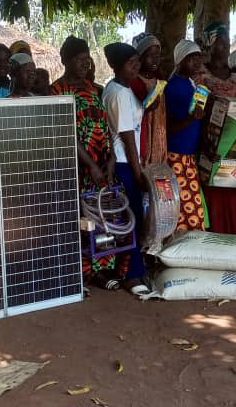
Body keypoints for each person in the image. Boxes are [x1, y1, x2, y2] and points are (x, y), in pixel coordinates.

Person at [50, 36, 120, 289]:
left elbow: (105, 125)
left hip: (102, 166)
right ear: (65, 61)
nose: (85, 63)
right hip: (78, 167)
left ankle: (104, 268)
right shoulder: (57, 90)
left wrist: (110, 158)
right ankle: (81, 273)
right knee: (80, 219)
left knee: (103, 216)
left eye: (87, 58)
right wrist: (89, 163)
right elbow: (64, 132)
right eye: (79, 59)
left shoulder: (95, 89)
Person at [195, 22, 236, 237]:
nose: (225, 47)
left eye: (227, 43)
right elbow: (197, 107)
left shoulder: (234, 75)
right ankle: (215, 240)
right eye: (220, 42)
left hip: (235, 142)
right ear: (210, 44)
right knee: (214, 193)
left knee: (234, 191)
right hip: (208, 141)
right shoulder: (199, 73)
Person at [101, 42, 151, 296]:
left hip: (127, 160)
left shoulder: (125, 88)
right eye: (131, 63)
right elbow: (127, 135)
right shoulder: (118, 93)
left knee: (133, 218)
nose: (137, 67)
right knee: (131, 219)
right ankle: (131, 275)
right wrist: (138, 169)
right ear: (117, 66)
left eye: (137, 62)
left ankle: (133, 269)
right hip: (124, 161)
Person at [164, 40, 208, 232]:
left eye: (199, 58)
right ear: (180, 61)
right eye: (192, 59)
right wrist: (192, 117)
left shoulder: (191, 85)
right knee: (184, 206)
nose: (197, 63)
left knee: (190, 204)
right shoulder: (172, 87)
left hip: (188, 155)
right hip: (177, 155)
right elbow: (169, 127)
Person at [128, 32, 168, 166]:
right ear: (139, 57)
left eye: (158, 55)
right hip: (143, 134)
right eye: (150, 56)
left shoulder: (159, 79)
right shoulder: (134, 82)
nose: (155, 60)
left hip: (158, 132)